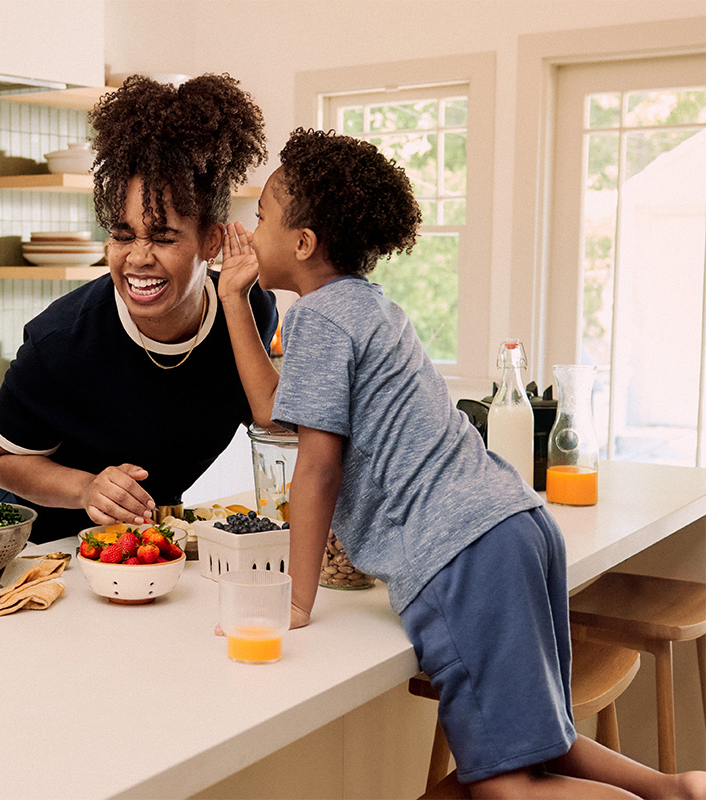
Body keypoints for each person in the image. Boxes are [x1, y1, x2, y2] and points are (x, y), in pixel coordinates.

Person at [218, 127, 706, 798]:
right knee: (542, 742)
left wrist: (296, 601)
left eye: (262, 219)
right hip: (514, 529)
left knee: (507, 789)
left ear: (303, 244)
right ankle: (675, 789)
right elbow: (277, 407)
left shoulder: (319, 320)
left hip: (462, 555)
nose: (251, 229)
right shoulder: (370, 309)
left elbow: (316, 467)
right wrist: (233, 301)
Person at [0, 74, 278, 543]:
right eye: (122, 236)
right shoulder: (62, 340)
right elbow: (1, 461)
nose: (138, 257)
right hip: (44, 547)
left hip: (150, 542)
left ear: (212, 241)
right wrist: (86, 488)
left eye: (162, 237)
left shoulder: (248, 312)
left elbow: (272, 420)